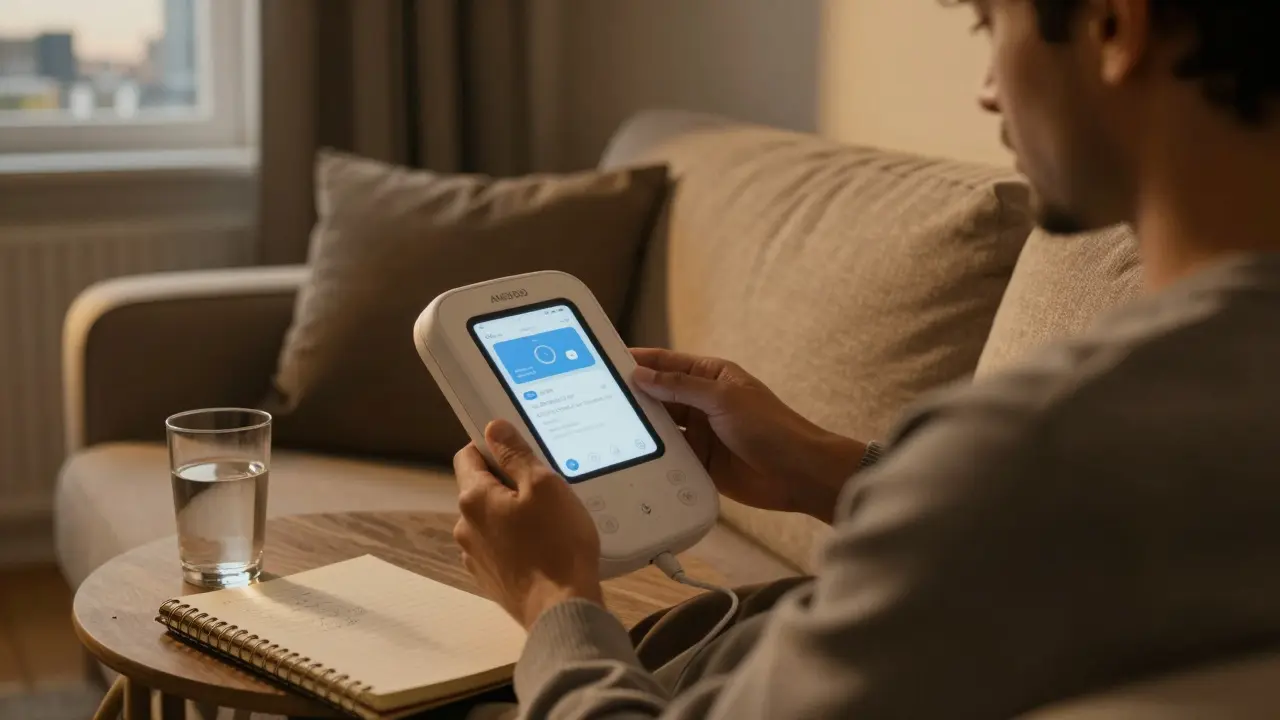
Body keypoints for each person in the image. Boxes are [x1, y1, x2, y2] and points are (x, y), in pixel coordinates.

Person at [450, 0, 1280, 717]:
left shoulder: (1032, 450)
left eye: (991, 25)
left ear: (1112, 25)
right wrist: (826, 469)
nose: (989, 90)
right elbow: (1067, 554)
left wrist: (553, 599)